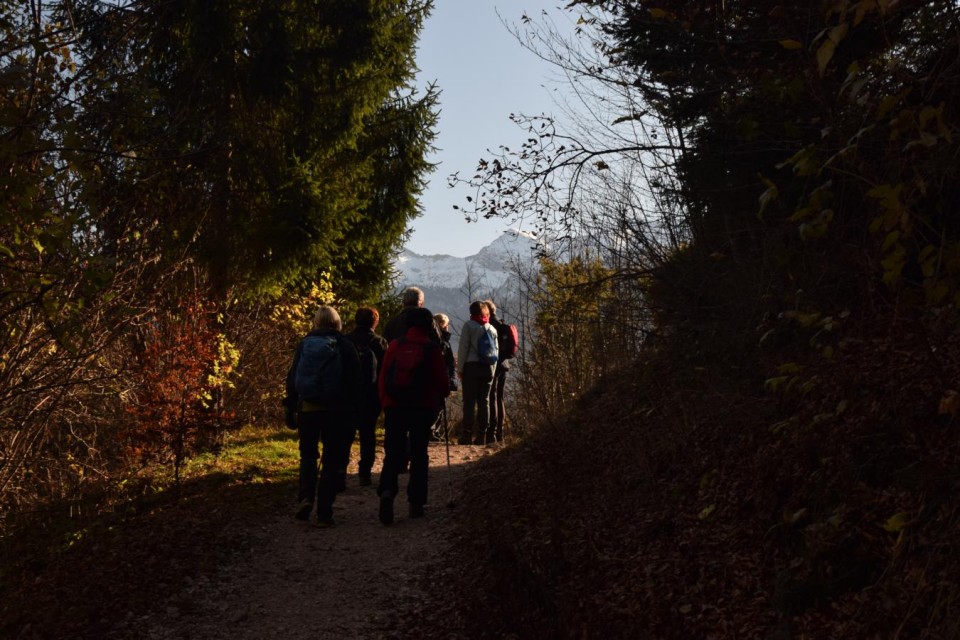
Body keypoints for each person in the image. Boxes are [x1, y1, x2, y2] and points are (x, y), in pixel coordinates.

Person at [284, 305, 361, 527]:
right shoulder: (345, 345)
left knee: (308, 456)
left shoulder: (305, 344)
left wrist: (290, 407)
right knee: (330, 459)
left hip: (308, 409)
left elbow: (292, 378)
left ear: (316, 322)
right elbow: (356, 382)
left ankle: (306, 497)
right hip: (336, 411)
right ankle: (324, 511)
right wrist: (355, 413)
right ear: (337, 323)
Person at [376, 307, 450, 524]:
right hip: (422, 408)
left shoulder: (395, 346)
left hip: (395, 406)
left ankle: (388, 491)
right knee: (419, 454)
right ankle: (416, 503)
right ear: (429, 325)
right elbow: (442, 384)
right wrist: (440, 396)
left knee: (393, 452)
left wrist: (385, 403)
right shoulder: (431, 348)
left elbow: (383, 377)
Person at [344, 307, 388, 486]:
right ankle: (364, 472)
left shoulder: (345, 341)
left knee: (345, 434)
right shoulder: (380, 342)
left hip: (348, 395)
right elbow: (386, 370)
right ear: (375, 323)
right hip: (371, 395)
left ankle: (340, 471)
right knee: (367, 433)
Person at [456, 300, 498, 446]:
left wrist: (460, 369)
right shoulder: (491, 328)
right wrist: (492, 371)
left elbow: (463, 348)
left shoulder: (469, 326)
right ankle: (483, 435)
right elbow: (496, 352)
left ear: (471, 312)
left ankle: (467, 434)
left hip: (471, 367)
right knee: (484, 401)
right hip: (488, 368)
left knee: (469, 401)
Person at [431, 312, 458, 441]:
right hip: (441, 376)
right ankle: (433, 431)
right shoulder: (443, 342)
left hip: (431, 377)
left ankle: (432, 431)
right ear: (443, 325)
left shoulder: (431, 339)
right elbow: (448, 363)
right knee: (438, 405)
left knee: (435, 404)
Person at [485, 300, 509, 444]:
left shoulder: (489, 326)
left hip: (494, 364)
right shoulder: (501, 323)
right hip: (504, 364)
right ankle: (500, 432)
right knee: (499, 398)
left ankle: (491, 432)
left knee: (491, 397)